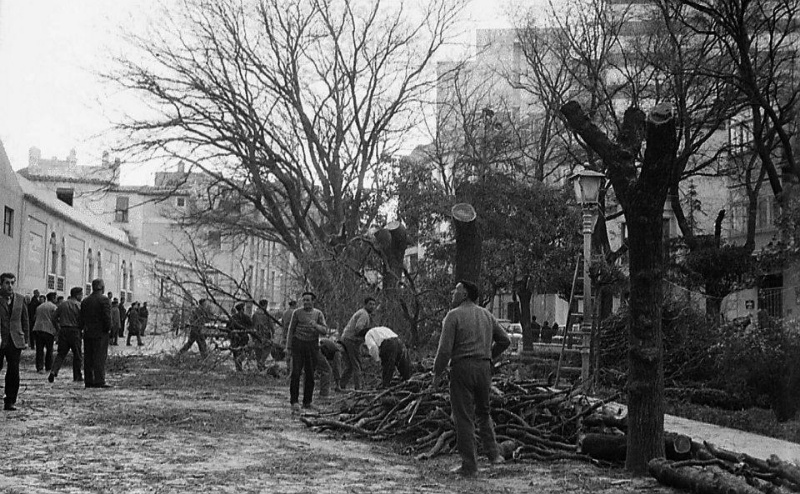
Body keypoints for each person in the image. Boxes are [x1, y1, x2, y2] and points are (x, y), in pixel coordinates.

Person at [433, 280, 510, 477]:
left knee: (464, 417)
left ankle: (470, 465)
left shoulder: (453, 316)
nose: (453, 293)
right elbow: (505, 340)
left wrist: (437, 372)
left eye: (456, 290)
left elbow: (444, 351)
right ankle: (494, 455)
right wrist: (490, 355)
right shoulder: (486, 315)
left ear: (465, 294)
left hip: (462, 368)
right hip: (484, 368)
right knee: (484, 413)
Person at [286, 291, 327, 413]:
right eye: (304, 300)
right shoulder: (297, 313)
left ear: (313, 301)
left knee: (310, 373)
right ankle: (294, 402)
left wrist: (316, 326)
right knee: (296, 373)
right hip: (298, 344)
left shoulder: (318, 314)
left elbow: (324, 330)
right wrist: (288, 347)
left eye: (308, 300)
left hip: (312, 345)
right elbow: (291, 330)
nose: (306, 302)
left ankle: (307, 402)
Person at [0, 273, 30, 411]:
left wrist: (26, 339)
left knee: (13, 371)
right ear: (1, 284)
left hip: (15, 340)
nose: (10, 286)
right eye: (7, 283)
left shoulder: (20, 299)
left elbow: (25, 320)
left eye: (12, 283)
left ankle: (10, 400)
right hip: (0, 338)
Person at [339, 297, 377, 390]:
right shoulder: (364, 314)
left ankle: (340, 385)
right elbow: (358, 329)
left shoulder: (363, 313)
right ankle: (358, 388)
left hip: (346, 338)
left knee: (350, 366)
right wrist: (370, 331)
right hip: (351, 340)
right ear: (365, 305)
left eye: (373, 304)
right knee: (357, 364)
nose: (372, 306)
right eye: (370, 304)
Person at [81, 278, 113, 389]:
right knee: (99, 357)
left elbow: (82, 318)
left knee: (88, 357)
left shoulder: (85, 301)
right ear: (102, 287)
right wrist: (108, 329)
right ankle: (99, 380)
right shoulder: (104, 300)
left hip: (88, 332)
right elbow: (107, 318)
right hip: (101, 333)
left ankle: (88, 380)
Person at [49, 287, 84, 383]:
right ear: (77, 295)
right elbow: (82, 320)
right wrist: (81, 328)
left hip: (63, 330)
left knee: (61, 354)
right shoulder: (79, 305)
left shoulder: (62, 304)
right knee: (77, 355)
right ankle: (77, 376)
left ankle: (53, 371)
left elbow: (53, 317)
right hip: (75, 331)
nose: (82, 296)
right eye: (81, 294)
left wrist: (58, 328)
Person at [32, 292, 58, 373]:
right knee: (49, 350)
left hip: (38, 329)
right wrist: (57, 329)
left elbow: (35, 317)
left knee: (39, 350)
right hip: (48, 330)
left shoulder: (39, 306)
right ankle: (48, 367)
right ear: (53, 298)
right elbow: (55, 319)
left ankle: (39, 367)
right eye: (56, 298)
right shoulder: (54, 307)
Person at [225, 302, 252, 372]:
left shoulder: (233, 318)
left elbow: (227, 328)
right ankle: (239, 368)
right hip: (243, 338)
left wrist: (231, 335)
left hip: (235, 339)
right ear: (243, 309)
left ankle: (238, 369)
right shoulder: (246, 317)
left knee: (236, 354)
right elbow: (251, 327)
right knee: (244, 352)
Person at [252, 299, 275, 371]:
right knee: (268, 348)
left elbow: (252, 324)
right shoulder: (266, 314)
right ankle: (261, 362)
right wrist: (273, 332)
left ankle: (260, 366)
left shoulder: (255, 314)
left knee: (258, 350)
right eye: (266, 305)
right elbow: (270, 325)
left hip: (257, 334)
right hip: (265, 334)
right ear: (265, 305)